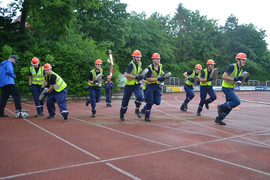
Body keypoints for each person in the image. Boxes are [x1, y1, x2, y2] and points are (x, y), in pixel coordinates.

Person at [215, 53, 247, 125]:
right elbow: (223, 76)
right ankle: (221, 106)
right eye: (243, 60)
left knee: (230, 106)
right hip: (226, 87)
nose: (244, 61)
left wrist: (243, 80)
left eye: (245, 60)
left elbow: (237, 82)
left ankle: (219, 118)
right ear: (238, 60)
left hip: (231, 88)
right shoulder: (232, 66)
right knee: (237, 102)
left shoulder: (240, 70)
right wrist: (235, 79)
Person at [120, 50, 144, 121]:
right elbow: (126, 75)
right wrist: (135, 77)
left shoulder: (140, 63)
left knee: (140, 97)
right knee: (125, 100)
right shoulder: (131, 65)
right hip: (129, 85)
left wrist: (141, 81)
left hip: (137, 84)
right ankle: (122, 113)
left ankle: (137, 109)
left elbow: (139, 72)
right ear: (133, 57)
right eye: (137, 57)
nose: (138, 59)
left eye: (139, 57)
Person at [143, 53, 166, 122]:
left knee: (157, 102)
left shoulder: (160, 65)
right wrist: (158, 79)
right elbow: (148, 79)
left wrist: (164, 75)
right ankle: (147, 116)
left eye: (159, 59)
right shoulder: (149, 68)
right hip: (150, 86)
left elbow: (161, 71)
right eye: (156, 59)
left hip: (157, 86)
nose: (158, 60)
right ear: (153, 60)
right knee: (150, 102)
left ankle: (144, 108)